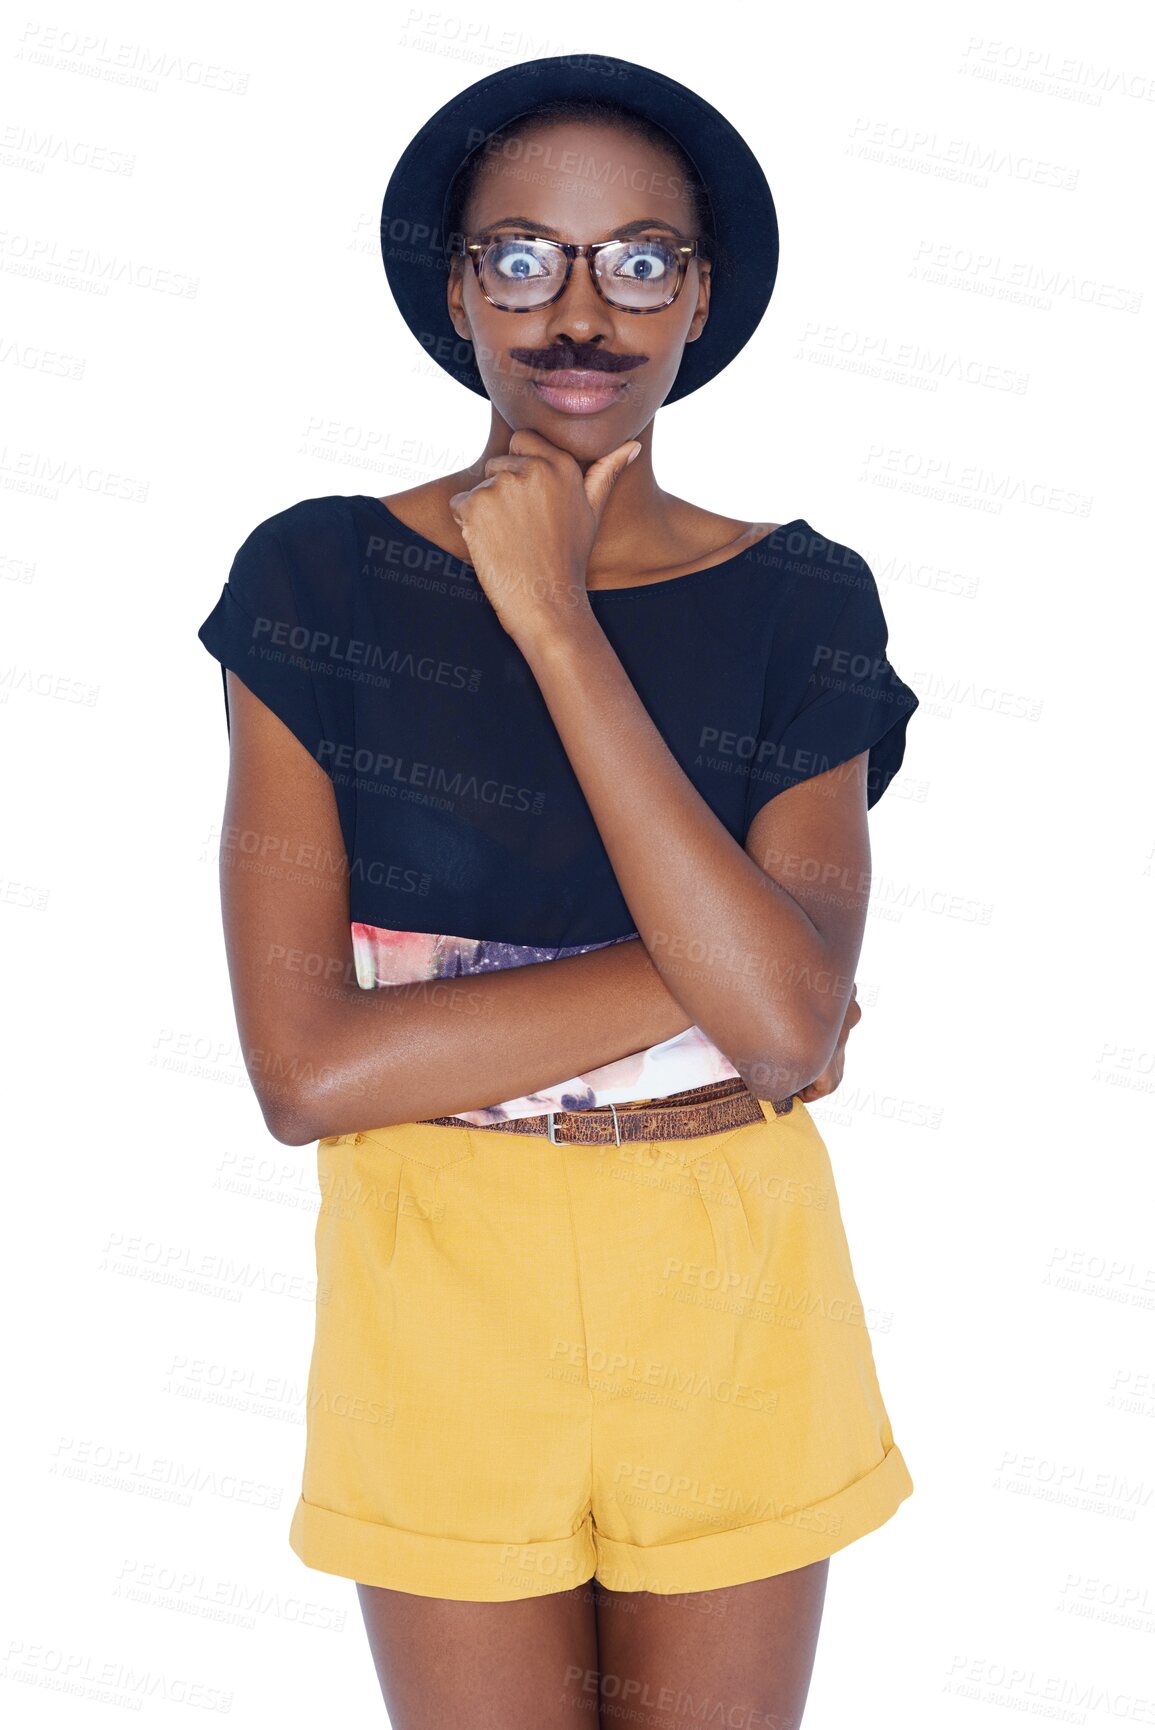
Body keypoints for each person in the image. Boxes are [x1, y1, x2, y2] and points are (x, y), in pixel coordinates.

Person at [198, 52, 920, 1730]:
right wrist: (729, 961)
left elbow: (790, 1040)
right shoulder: (314, 579)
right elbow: (308, 1071)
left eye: (635, 260)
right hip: (440, 1286)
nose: (578, 312)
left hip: (733, 1284)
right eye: (523, 257)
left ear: (700, 292)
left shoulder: (803, 598)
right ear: (459, 287)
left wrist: (555, 618)